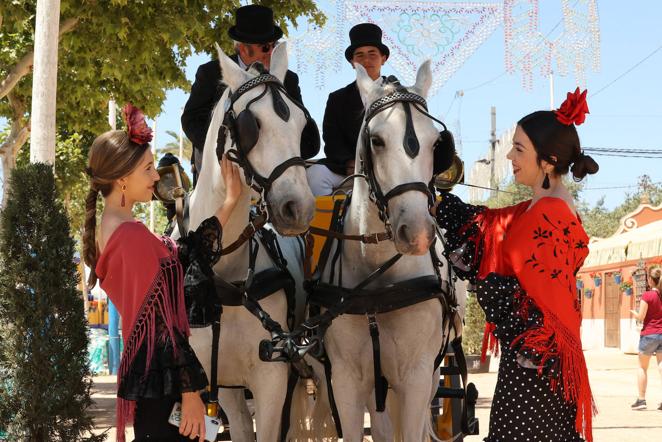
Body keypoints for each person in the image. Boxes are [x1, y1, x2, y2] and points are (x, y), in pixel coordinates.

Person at [432, 88, 599, 441]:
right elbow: (489, 226)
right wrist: (442, 204)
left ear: (548, 161)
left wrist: (492, 288)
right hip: (539, 365)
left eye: (519, 148)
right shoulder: (537, 209)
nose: (510, 155)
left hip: (535, 370)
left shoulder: (547, 215)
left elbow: (534, 301)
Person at [82, 104, 242, 442]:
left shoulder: (121, 229)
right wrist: (191, 392)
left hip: (156, 383)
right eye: (149, 169)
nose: (157, 177)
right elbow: (159, 325)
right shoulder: (130, 237)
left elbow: (185, 256)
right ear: (122, 179)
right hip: (164, 389)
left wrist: (229, 204)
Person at [182, 4, 314, 184]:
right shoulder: (211, 72)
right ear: (243, 48)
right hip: (220, 164)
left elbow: (301, 129)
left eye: (274, 46)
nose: (272, 52)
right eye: (265, 47)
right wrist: (221, 150)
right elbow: (191, 119)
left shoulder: (288, 79)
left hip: (272, 166)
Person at [306, 23, 389, 196]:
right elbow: (332, 137)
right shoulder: (338, 98)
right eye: (359, 55)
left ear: (384, 58)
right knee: (316, 175)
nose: (366, 60)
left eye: (372, 54)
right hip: (350, 169)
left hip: (390, 168)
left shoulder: (400, 95)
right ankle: (332, 222)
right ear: (352, 62)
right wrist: (348, 162)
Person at [629, 267, 662, 411]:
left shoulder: (647, 295)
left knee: (642, 367)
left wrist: (634, 313)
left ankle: (641, 400)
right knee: (661, 365)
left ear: (650, 279)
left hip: (649, 334)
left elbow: (641, 317)